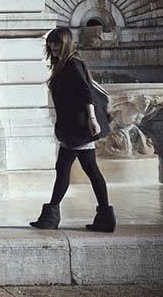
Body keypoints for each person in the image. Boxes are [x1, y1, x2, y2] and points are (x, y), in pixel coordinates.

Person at [30, 27, 116, 232]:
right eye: (50, 43)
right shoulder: (64, 65)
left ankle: (51, 217)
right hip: (74, 127)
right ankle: (104, 217)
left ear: (66, 43)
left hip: (80, 128)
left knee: (68, 169)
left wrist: (92, 119)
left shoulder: (73, 64)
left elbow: (86, 92)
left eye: (57, 43)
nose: (52, 46)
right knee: (87, 170)